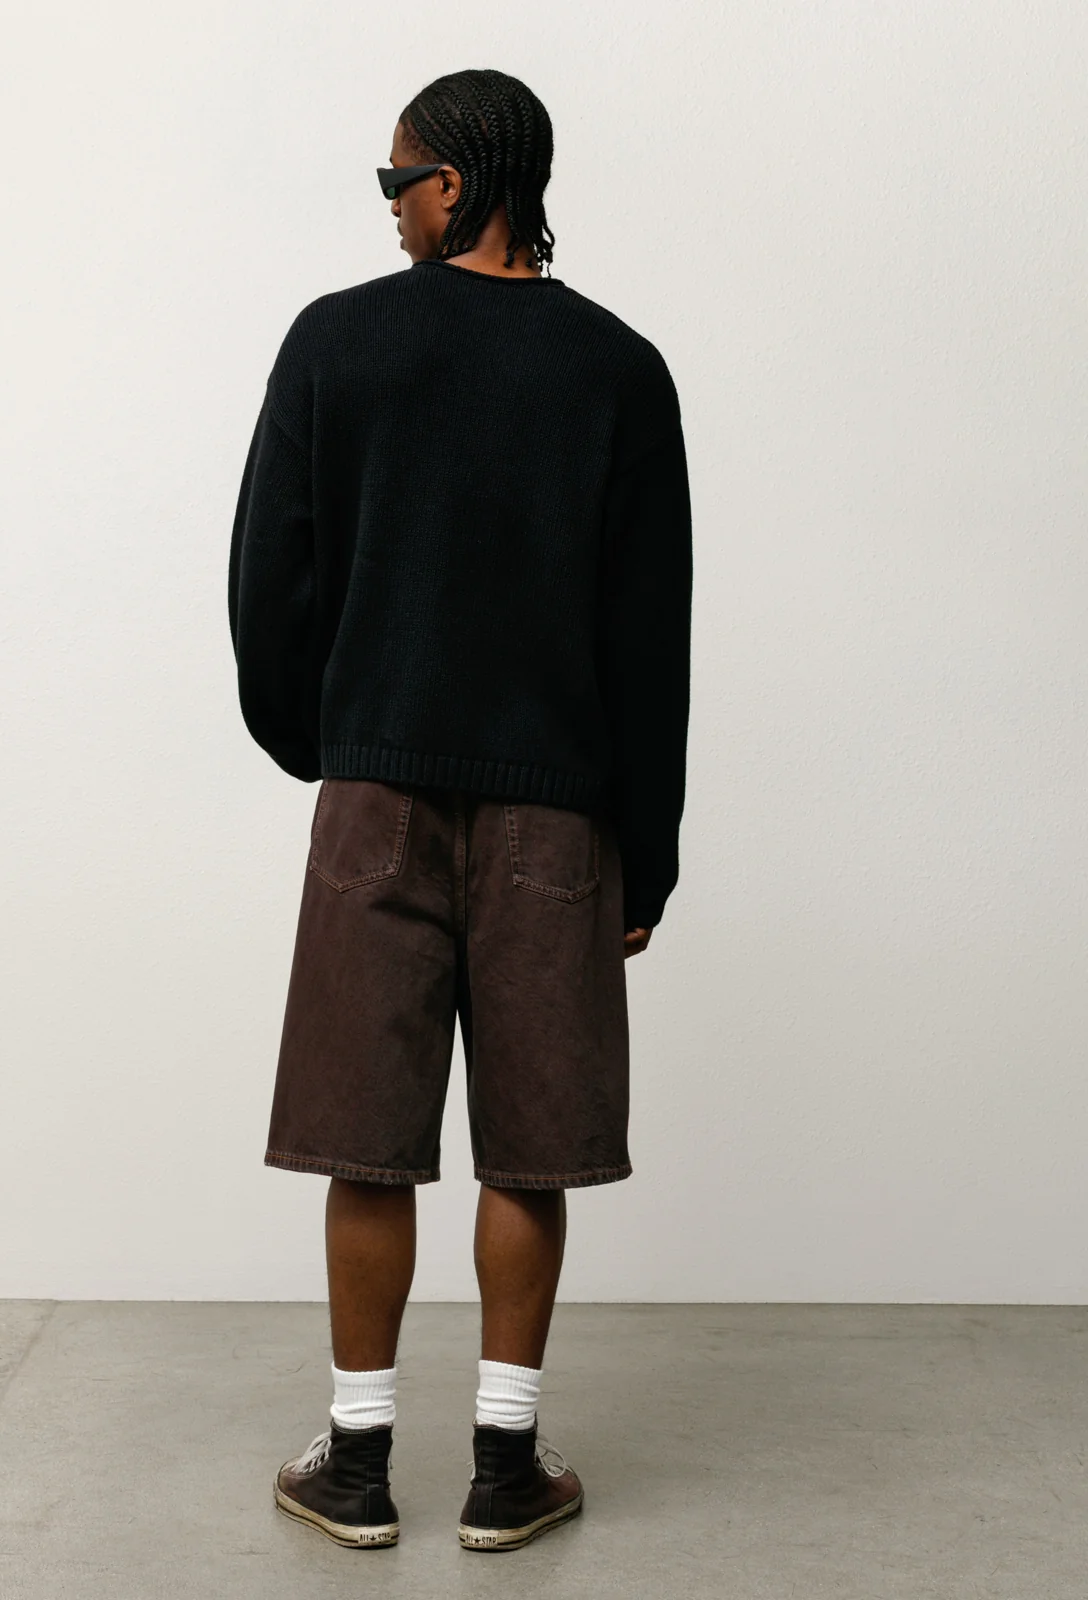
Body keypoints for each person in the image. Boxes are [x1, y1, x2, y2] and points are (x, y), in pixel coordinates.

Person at [228, 67, 692, 1552]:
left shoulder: (337, 341)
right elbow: (649, 640)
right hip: (560, 816)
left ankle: (357, 1464)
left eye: (397, 181)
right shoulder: (620, 369)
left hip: (377, 790)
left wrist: (324, 740)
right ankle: (505, 1464)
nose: (389, 208)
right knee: (528, 1151)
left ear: (456, 182)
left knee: (366, 1141)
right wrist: (646, 859)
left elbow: (269, 578)